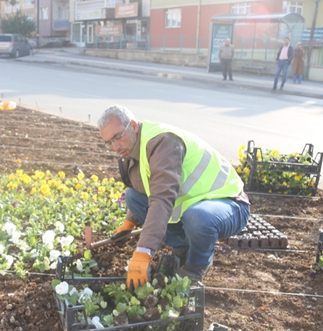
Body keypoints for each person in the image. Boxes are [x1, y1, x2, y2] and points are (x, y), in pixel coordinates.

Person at [97, 105, 251, 287]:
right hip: (193, 204)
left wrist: (143, 251)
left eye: (118, 136)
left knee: (197, 218)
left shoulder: (163, 142)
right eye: (109, 142)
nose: (115, 146)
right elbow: (145, 190)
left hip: (228, 203)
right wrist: (130, 221)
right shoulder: (132, 149)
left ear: (133, 125)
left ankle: (196, 265)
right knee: (133, 197)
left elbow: (162, 198)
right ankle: (183, 249)